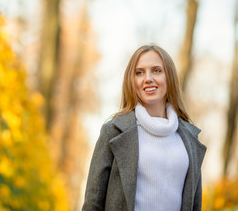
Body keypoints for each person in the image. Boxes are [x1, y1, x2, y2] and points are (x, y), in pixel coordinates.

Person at [82, 44, 206, 211]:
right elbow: (93, 203)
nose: (148, 78)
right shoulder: (113, 132)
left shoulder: (190, 139)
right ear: (132, 81)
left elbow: (195, 205)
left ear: (169, 77)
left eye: (156, 70)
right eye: (139, 72)